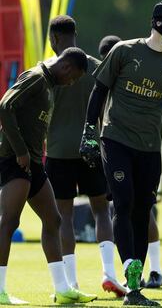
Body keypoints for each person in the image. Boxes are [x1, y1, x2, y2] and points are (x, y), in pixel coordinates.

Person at [81, 1, 162, 306]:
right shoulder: (125, 52)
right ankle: (131, 280)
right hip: (115, 139)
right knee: (124, 202)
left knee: (143, 212)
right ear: (159, 23)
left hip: (149, 148)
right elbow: (98, 92)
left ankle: (134, 289)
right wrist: (89, 133)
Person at [0, 48, 97, 304]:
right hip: (14, 160)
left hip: (32, 162)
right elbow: (5, 106)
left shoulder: (49, 85)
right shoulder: (36, 77)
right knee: (9, 222)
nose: (72, 82)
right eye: (74, 77)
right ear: (66, 67)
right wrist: (20, 150)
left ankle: (62, 288)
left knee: (53, 220)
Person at [45, 16, 126, 297]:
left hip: (57, 152)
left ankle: (71, 282)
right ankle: (109, 273)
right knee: (102, 211)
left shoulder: (48, 70)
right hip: (93, 148)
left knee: (63, 217)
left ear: (54, 38)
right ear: (75, 34)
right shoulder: (97, 67)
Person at [99, 34, 162, 288]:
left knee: (141, 208)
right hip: (111, 150)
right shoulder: (104, 83)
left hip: (142, 148)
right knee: (121, 207)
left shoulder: (131, 77)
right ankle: (120, 272)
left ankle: (154, 269)